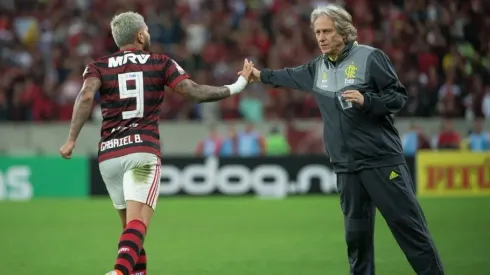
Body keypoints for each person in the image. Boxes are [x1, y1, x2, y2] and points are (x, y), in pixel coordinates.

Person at [239, 4, 444, 275]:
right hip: (346, 167)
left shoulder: (371, 58)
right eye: (317, 32)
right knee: (356, 242)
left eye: (327, 31)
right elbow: (288, 76)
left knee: (409, 231)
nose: (321, 38)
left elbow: (398, 97)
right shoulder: (317, 68)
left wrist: (367, 100)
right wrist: (259, 75)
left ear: (344, 32)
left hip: (381, 162)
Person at [58, 11, 254, 275]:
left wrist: (71, 139)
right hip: (141, 153)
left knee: (131, 232)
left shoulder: (98, 66)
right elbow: (193, 92)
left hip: (108, 156)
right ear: (140, 35)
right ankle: (117, 272)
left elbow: (84, 97)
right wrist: (238, 85)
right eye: (146, 30)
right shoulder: (160, 62)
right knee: (138, 225)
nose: (148, 33)